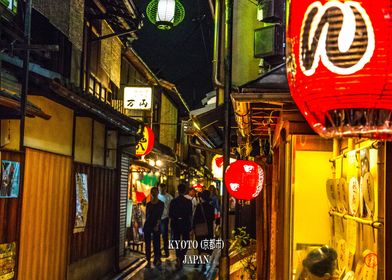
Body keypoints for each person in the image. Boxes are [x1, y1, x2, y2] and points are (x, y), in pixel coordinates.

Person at [169, 183, 193, 269]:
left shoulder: (173, 201)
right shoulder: (188, 202)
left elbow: (170, 214)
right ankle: (181, 257)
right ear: (185, 191)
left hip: (175, 223)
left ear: (178, 191)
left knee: (177, 241)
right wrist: (191, 226)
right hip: (185, 223)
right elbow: (190, 214)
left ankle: (178, 257)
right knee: (186, 242)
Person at [192, 190, 215, 272]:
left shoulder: (199, 206)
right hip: (208, 230)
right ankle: (204, 264)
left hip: (199, 229)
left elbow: (194, 219)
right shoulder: (211, 207)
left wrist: (193, 228)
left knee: (199, 247)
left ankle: (197, 261)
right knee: (205, 247)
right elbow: (212, 219)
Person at [143, 187, 164, 268]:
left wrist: (157, 225)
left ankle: (157, 258)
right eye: (153, 192)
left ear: (158, 193)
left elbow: (160, 215)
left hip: (156, 225)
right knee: (147, 243)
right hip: (148, 225)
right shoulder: (148, 204)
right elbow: (147, 215)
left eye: (155, 192)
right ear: (151, 193)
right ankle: (148, 259)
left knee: (156, 243)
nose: (154, 194)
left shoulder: (161, 203)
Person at [157, 183, 173, 258]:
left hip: (165, 218)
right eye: (160, 188)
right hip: (157, 218)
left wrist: (170, 221)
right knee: (156, 235)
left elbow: (171, 209)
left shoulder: (169, 197)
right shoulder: (156, 196)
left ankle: (166, 252)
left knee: (164, 235)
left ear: (165, 189)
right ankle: (158, 252)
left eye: (163, 189)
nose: (161, 190)